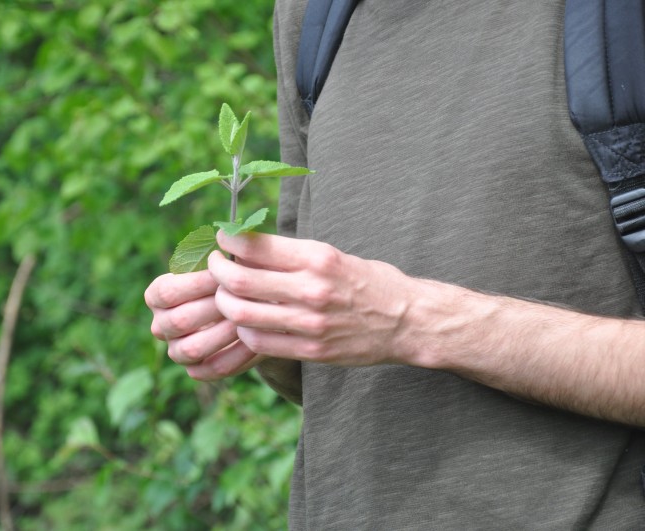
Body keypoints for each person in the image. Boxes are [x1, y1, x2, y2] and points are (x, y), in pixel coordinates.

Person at [145, 0, 645, 528]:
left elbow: (389, 317)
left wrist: (413, 320)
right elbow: (326, 373)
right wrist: (256, 317)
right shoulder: (313, 14)